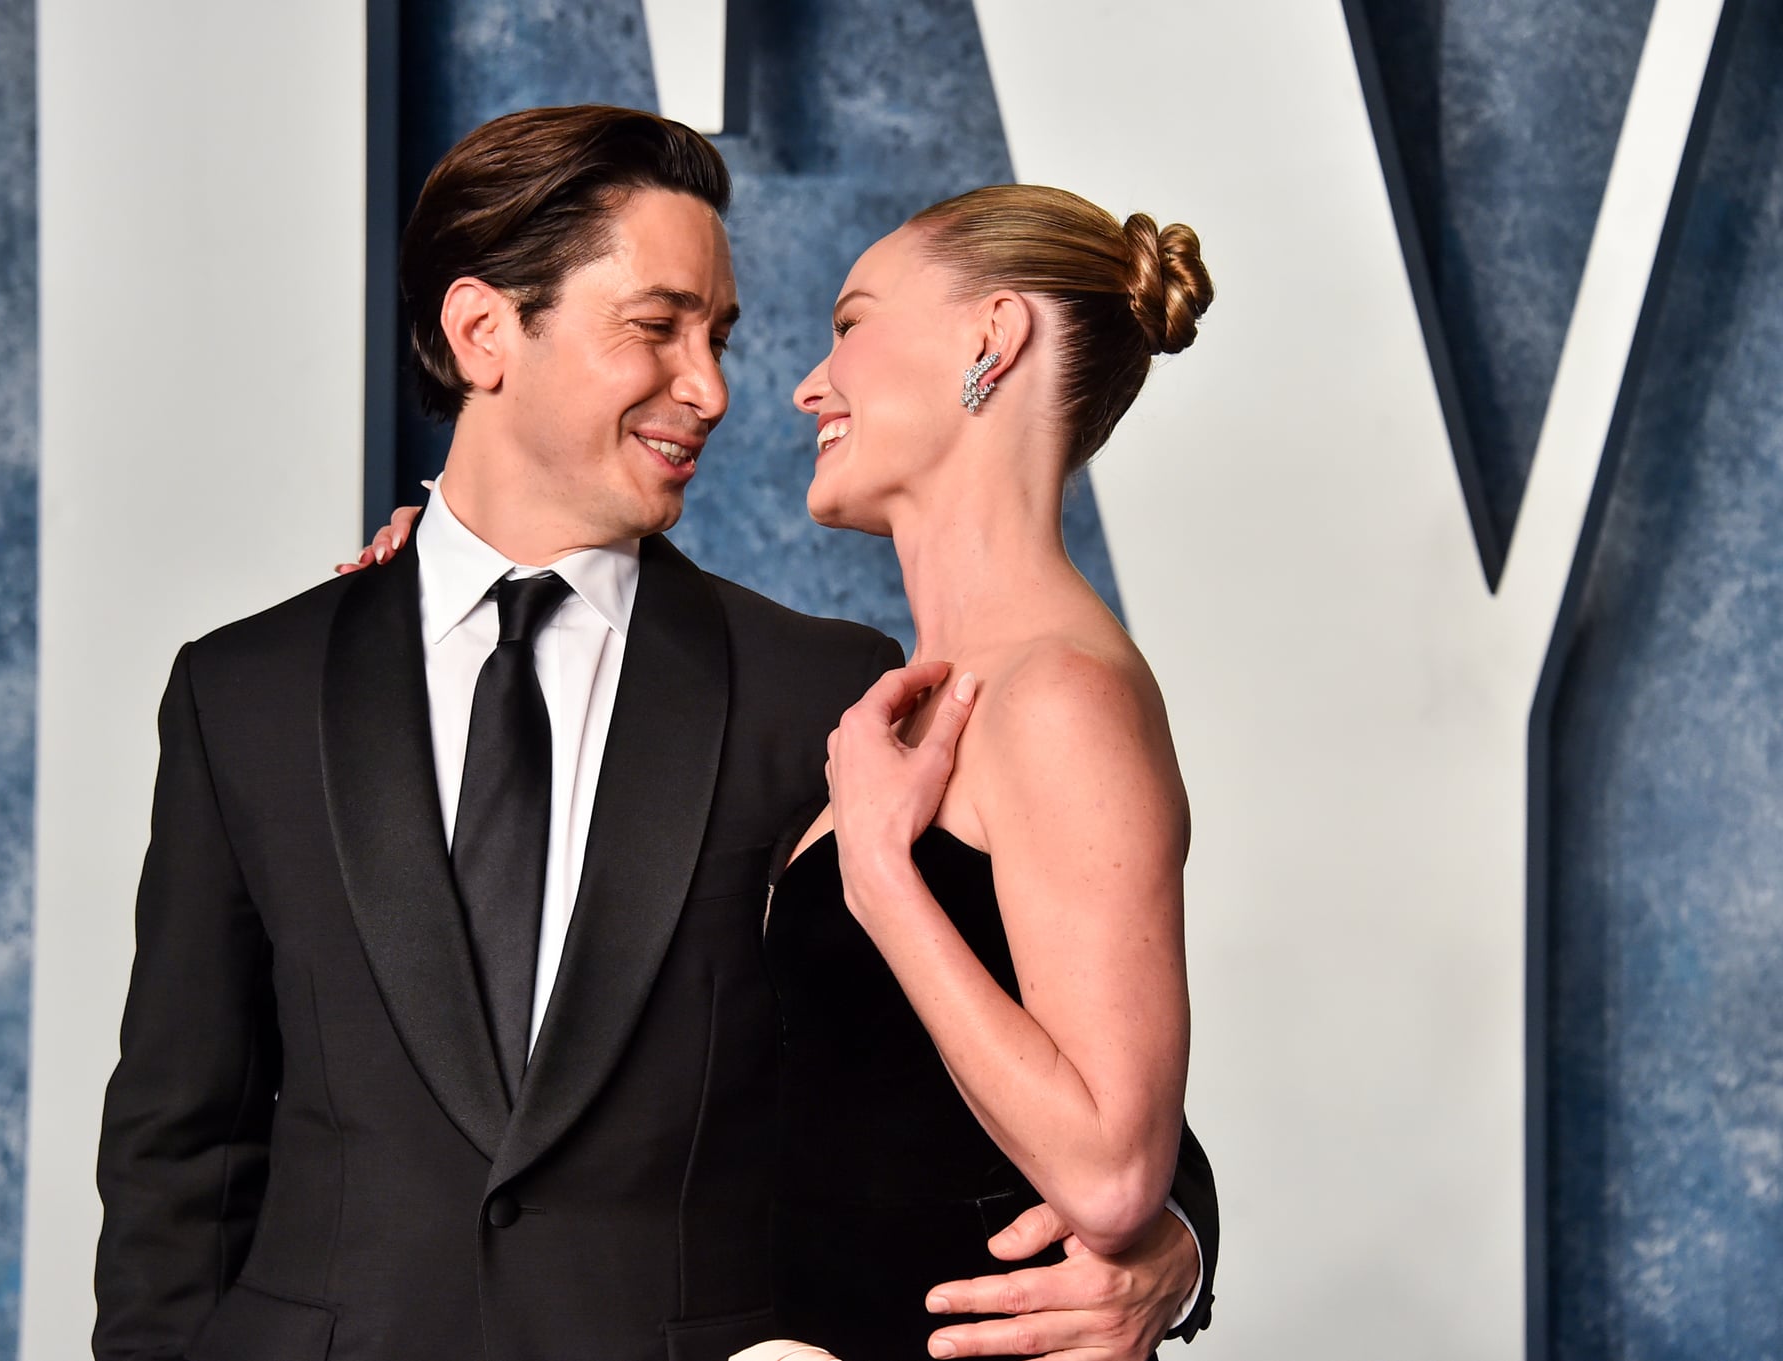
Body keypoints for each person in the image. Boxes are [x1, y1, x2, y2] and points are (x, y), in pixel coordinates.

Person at [97, 105, 1214, 1361]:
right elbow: (175, 1147)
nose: (717, 388)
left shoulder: (834, 695)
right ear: (483, 331)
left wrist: (1167, 1237)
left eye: (721, 335)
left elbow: (988, 1062)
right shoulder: (246, 689)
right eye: (657, 326)